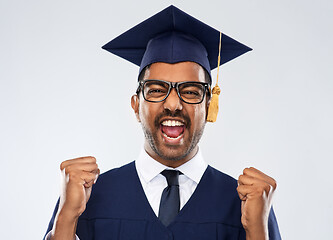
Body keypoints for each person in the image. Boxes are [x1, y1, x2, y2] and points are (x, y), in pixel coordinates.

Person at [44, 5, 281, 240]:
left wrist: (257, 230)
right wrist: (66, 218)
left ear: (208, 106)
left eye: (190, 91)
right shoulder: (88, 199)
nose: (173, 104)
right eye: (157, 90)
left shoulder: (249, 205)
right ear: (136, 106)